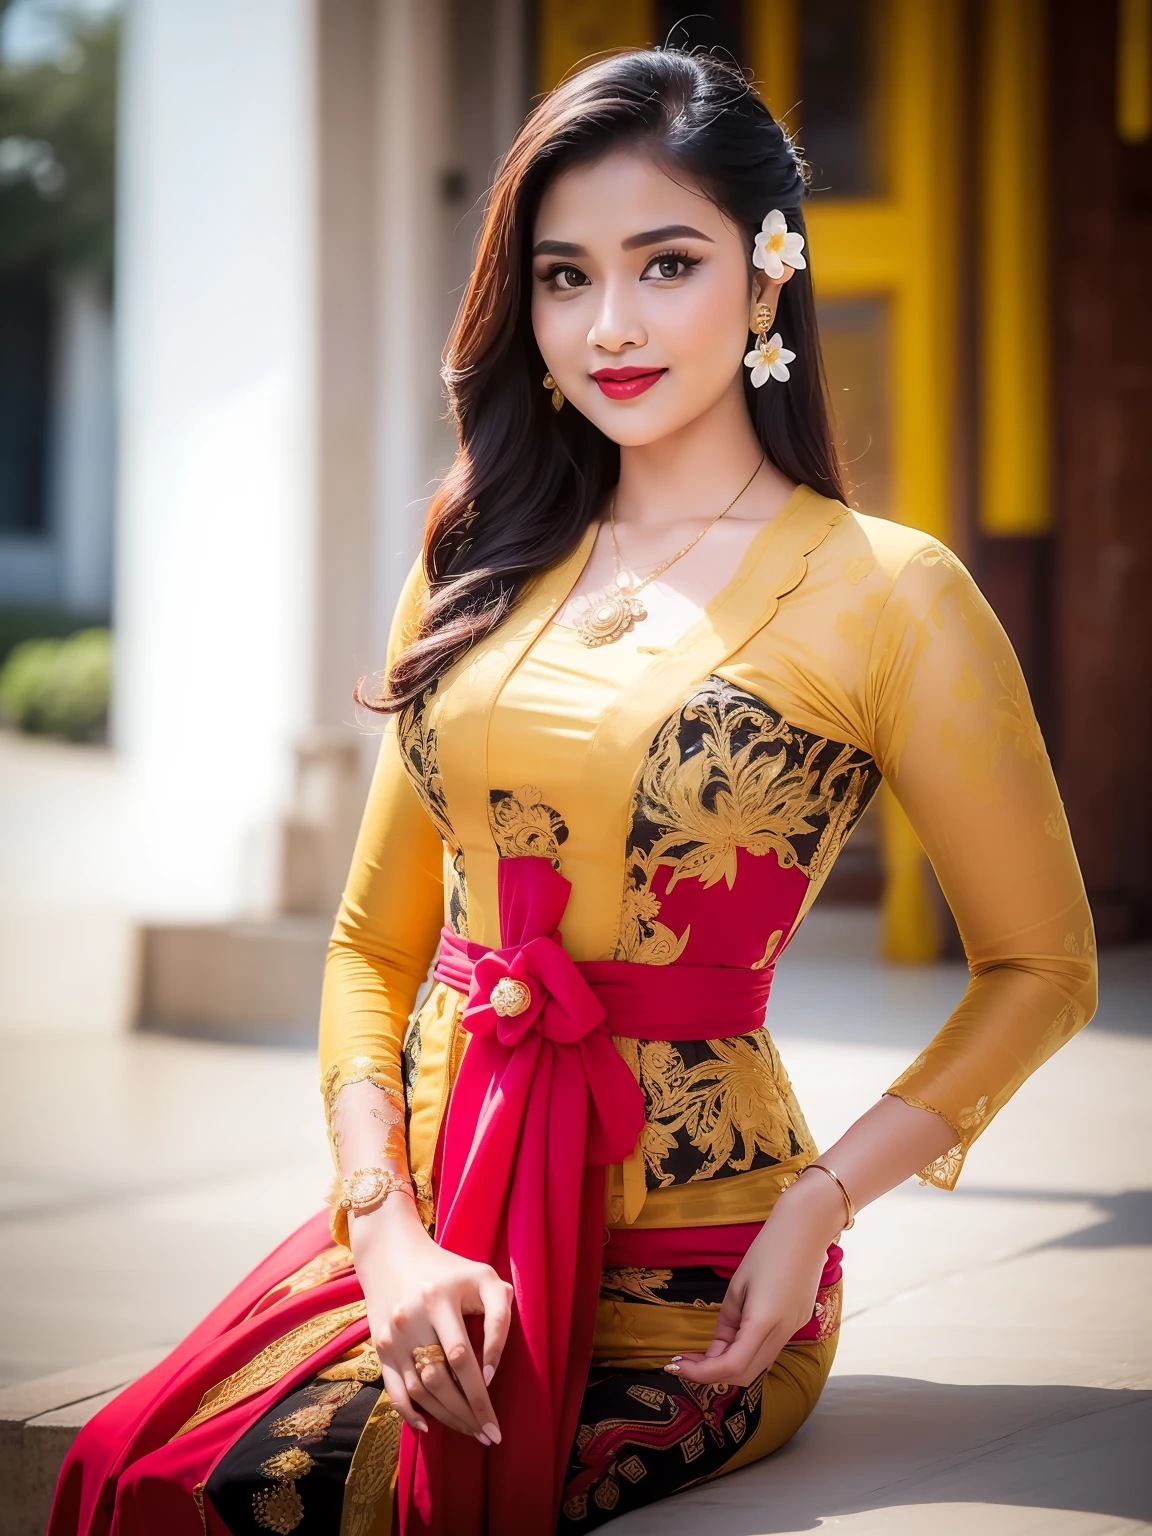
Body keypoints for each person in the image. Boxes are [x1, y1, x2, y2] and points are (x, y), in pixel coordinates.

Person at [50, 47, 1097, 1536]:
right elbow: (370, 947)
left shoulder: (889, 595)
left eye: (667, 264)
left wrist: (826, 1204)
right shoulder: (474, 556)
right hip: (427, 1234)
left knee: (347, 1504)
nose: (609, 325)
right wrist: (386, 1229)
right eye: (563, 276)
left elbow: (1042, 966)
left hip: (703, 1277)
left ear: (767, 274)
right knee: (146, 1479)